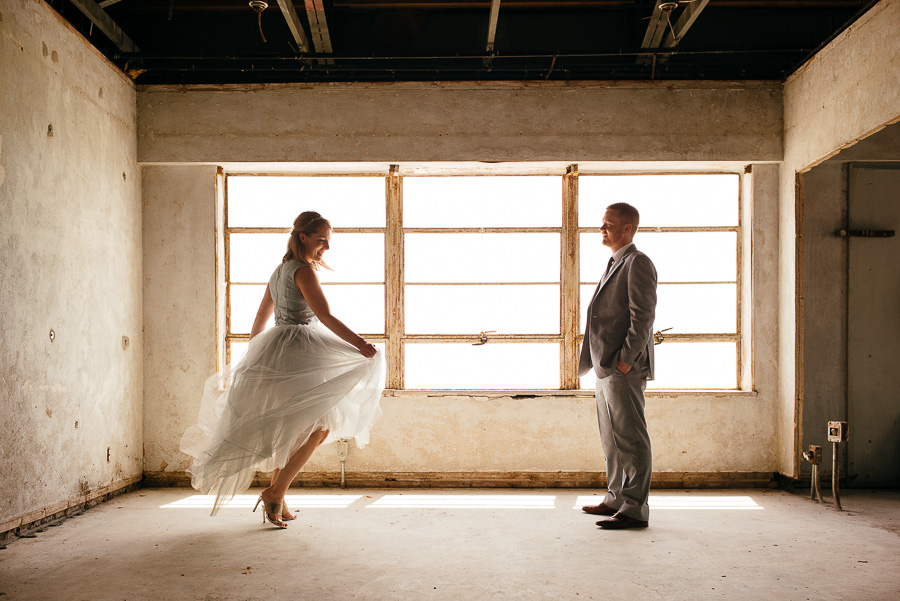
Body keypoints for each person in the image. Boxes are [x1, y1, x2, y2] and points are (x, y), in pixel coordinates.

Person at [181, 211, 385, 528]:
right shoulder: (303, 271)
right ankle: (275, 492)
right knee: (320, 427)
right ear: (303, 237)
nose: (326, 248)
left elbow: (261, 319)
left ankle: (279, 498)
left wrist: (255, 356)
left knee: (292, 429)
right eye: (322, 241)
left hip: (278, 350)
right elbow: (326, 316)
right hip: (298, 352)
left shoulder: (279, 271)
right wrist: (361, 345)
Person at [578, 202, 657, 530]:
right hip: (606, 366)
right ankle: (616, 497)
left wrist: (625, 360)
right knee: (611, 436)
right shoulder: (616, 261)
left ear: (627, 228)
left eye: (608, 224)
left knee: (631, 437)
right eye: (602, 223)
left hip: (622, 366)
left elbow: (643, 316)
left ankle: (635, 508)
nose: (602, 229)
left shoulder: (637, 262)